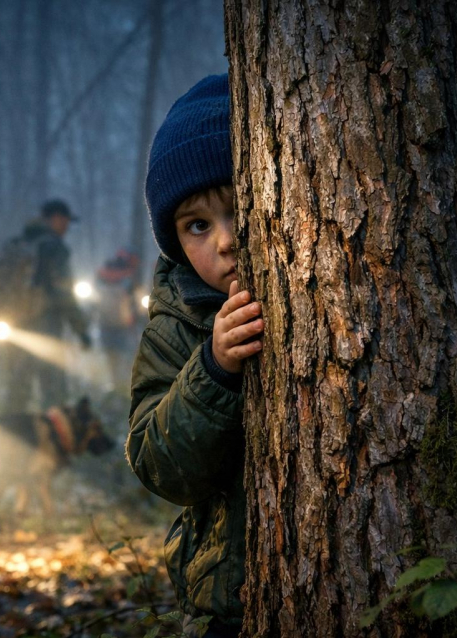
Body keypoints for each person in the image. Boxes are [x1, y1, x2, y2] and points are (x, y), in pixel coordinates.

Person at [126, 74, 264, 638]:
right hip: (223, 598)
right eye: (197, 226)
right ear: (175, 240)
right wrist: (212, 368)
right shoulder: (176, 320)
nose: (224, 241)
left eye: (236, 211)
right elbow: (156, 460)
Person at [0, 199, 91, 412]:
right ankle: (52, 440)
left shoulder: (15, 244)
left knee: (17, 390)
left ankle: (15, 436)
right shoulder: (54, 247)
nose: (66, 227)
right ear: (55, 218)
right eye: (65, 221)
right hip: (46, 327)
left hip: (15, 329)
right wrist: (81, 330)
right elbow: (64, 292)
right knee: (53, 393)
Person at [95, 248, 142, 393]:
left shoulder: (103, 275)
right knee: (125, 355)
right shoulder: (128, 278)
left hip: (107, 322)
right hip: (123, 324)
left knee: (113, 356)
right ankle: (124, 384)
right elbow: (134, 301)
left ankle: (116, 384)